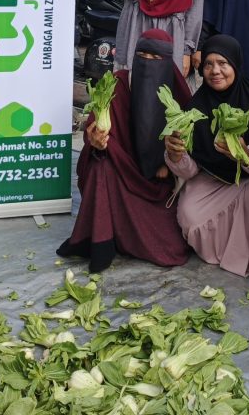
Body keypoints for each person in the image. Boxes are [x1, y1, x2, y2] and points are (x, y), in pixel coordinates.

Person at [57, 30, 191, 272]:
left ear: (167, 61)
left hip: (161, 183)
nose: (148, 63)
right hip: (123, 173)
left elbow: (190, 142)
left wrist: (168, 163)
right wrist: (95, 139)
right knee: (100, 166)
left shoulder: (178, 90)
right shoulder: (117, 83)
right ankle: (101, 244)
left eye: (156, 58)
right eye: (142, 56)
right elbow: (96, 123)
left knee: (170, 248)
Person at [164, 34, 249, 277]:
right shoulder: (195, 109)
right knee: (190, 215)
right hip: (212, 179)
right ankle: (218, 251)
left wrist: (244, 155)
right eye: (208, 64)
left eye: (223, 63)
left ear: (235, 64)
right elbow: (190, 170)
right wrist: (175, 154)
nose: (215, 71)